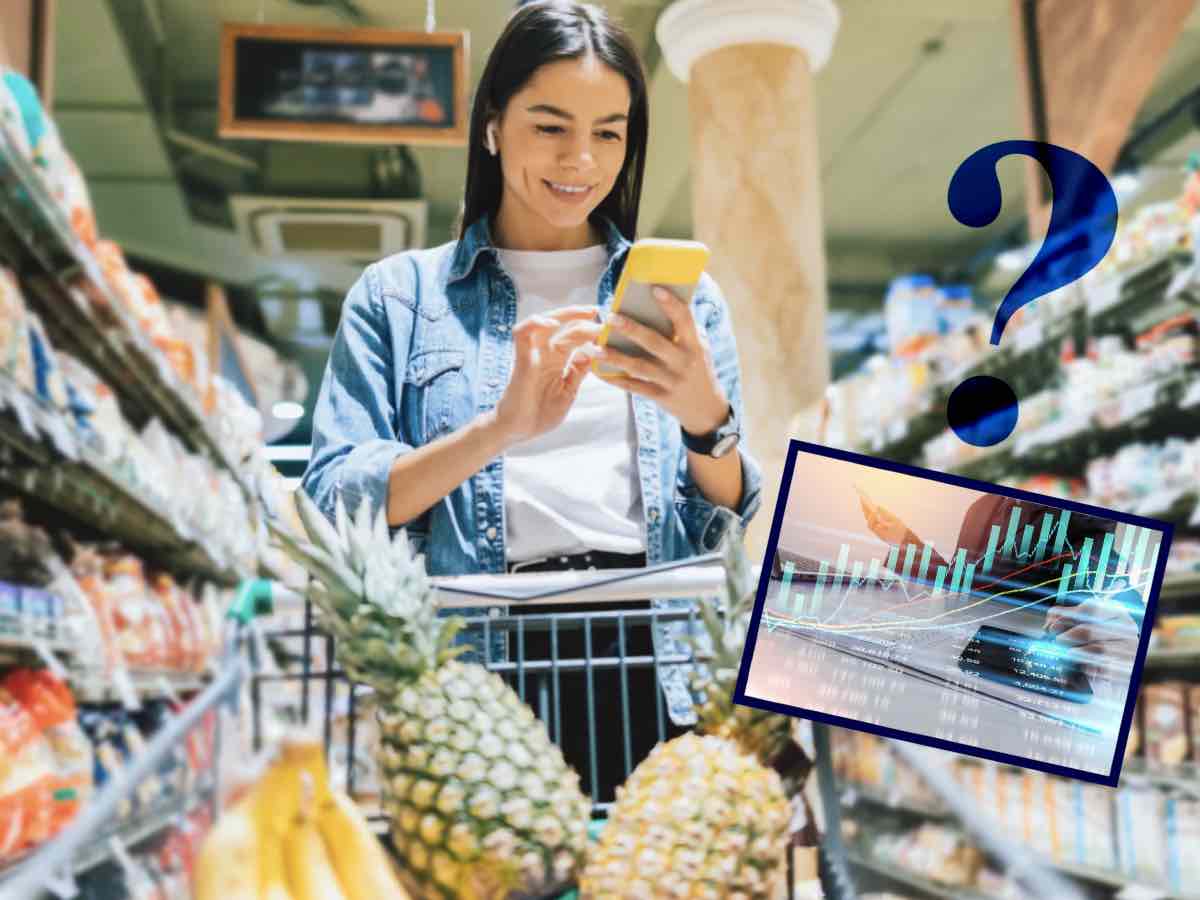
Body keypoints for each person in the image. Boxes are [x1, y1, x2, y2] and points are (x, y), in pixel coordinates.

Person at [301, 1, 763, 803]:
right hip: (471, 665)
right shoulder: (400, 298)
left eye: (609, 132)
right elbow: (333, 497)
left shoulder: (683, 301)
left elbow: (723, 509)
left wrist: (705, 421)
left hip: (649, 656)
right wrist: (500, 430)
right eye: (550, 126)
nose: (580, 158)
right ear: (492, 126)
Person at [857, 489, 1144, 697]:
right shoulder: (981, 506)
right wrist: (903, 539)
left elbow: (1102, 565)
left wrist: (1131, 625)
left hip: (1013, 686)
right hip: (946, 667)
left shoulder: (1076, 508)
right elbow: (963, 580)